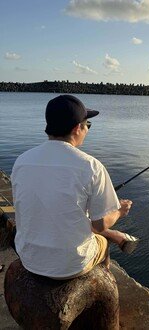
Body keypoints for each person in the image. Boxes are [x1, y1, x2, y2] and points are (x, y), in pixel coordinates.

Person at [11, 94, 139, 280]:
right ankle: (104, 283)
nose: (87, 129)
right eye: (88, 125)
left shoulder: (22, 161)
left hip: (28, 257)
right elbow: (99, 224)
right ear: (77, 128)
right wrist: (119, 211)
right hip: (69, 265)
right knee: (102, 241)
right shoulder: (91, 166)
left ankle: (115, 235)